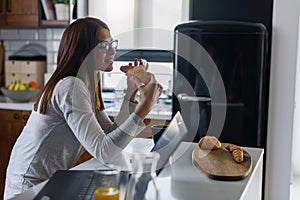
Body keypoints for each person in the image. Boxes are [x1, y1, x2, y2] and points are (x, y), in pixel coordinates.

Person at [4, 17, 162, 199]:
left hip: (49, 184)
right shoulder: (70, 87)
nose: (113, 51)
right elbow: (104, 151)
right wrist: (146, 105)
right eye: (104, 46)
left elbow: (109, 133)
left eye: (112, 44)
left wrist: (131, 93)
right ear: (83, 53)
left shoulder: (88, 84)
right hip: (28, 189)